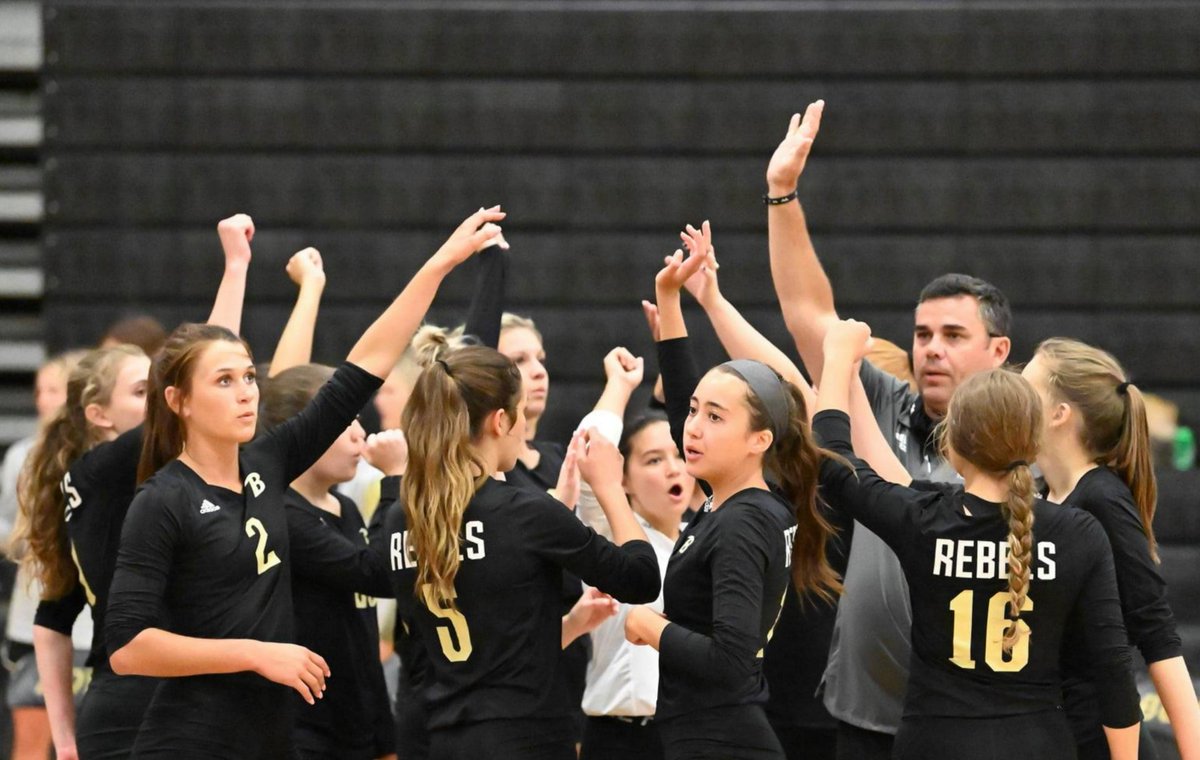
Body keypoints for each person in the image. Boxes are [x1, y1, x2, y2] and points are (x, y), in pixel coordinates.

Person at [104, 207, 509, 759]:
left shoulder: (267, 463)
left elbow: (365, 363)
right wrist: (254, 653)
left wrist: (440, 265)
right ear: (179, 401)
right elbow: (128, 648)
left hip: (273, 739)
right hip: (191, 741)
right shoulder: (163, 499)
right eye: (224, 381)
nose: (247, 392)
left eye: (249, 376)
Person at [766, 100, 1013, 759]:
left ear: (998, 352)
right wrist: (782, 194)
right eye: (923, 334)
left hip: (965, 721)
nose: (931, 348)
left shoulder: (1018, 446)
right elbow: (807, 312)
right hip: (864, 716)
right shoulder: (882, 399)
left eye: (954, 336)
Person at [813, 318, 1142, 760]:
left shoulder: (923, 521)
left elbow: (835, 464)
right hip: (1038, 744)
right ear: (1033, 439)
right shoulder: (1080, 534)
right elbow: (1114, 672)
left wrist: (836, 359)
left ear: (952, 445)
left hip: (935, 744)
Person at [22, 213, 255, 760]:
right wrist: (236, 266)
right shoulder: (102, 472)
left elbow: (52, 623)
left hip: (143, 704)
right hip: (141, 706)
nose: (161, 398)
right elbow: (205, 363)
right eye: (142, 391)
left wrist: (65, 742)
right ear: (98, 415)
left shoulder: (93, 482)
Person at [384, 342, 661, 760]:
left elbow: (493, 623)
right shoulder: (525, 514)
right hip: (527, 739)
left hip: (442, 738)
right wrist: (608, 486)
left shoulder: (401, 519)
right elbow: (640, 579)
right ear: (501, 421)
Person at [622, 243, 841, 760]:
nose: (693, 428)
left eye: (715, 417)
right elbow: (678, 411)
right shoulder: (733, 500)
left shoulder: (745, 520)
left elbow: (730, 660)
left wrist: (651, 627)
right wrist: (669, 299)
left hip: (722, 739)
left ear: (759, 440)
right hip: (707, 732)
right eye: (697, 411)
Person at [1023, 338, 1200, 760]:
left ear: (1059, 414)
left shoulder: (1103, 499)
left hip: (1100, 739)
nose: (1011, 399)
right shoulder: (1040, 494)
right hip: (1050, 730)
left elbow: (1156, 633)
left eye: (1025, 390)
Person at [259, 365, 396, 760]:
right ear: (302, 431)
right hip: (307, 731)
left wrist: (385, 738)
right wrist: (396, 481)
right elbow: (377, 574)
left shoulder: (346, 508)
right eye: (343, 422)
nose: (360, 434)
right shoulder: (284, 514)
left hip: (358, 726)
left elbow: (363, 636)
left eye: (357, 419)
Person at [578, 412, 694, 760]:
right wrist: (620, 383)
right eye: (654, 460)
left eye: (679, 455)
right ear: (623, 478)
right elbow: (590, 451)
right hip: (621, 738)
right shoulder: (613, 534)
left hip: (689, 732)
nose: (673, 469)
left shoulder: (702, 536)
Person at [1, 350, 90, 760]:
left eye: (53, 389)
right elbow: (9, 529)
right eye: (39, 390)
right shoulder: (22, 456)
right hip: (33, 618)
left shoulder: (97, 460)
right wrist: (28, 538)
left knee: (88, 742)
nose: (42, 399)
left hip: (90, 625)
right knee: (32, 742)